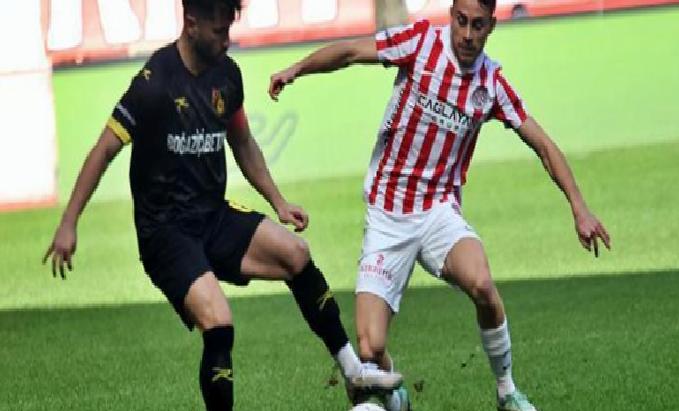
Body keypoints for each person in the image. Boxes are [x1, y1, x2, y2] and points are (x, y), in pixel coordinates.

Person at [42, 0, 402, 410]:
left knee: (296, 254)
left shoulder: (227, 76)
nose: (227, 40)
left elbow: (242, 141)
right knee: (218, 322)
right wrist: (69, 222)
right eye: (219, 31)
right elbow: (104, 150)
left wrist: (278, 201)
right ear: (191, 23)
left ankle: (353, 372)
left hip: (213, 215)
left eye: (229, 29)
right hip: (165, 232)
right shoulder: (154, 83)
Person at [269, 0, 611, 409]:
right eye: (461, 21)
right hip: (387, 215)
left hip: (438, 213)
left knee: (482, 284)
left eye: (477, 25)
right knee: (370, 348)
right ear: (451, 14)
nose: (467, 34)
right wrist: (296, 69)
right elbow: (350, 52)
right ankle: (394, 392)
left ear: (491, 26)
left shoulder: (491, 84)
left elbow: (543, 144)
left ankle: (507, 392)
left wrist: (579, 208)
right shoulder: (419, 44)